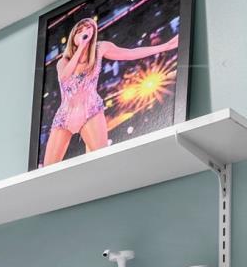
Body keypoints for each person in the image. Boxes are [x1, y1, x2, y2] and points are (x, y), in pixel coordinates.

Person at [43, 16, 179, 166]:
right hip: (65, 116)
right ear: (73, 36)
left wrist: (165, 46)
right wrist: (81, 48)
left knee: (101, 162)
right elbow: (64, 77)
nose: (85, 32)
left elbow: (130, 53)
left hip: (90, 110)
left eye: (89, 28)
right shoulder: (63, 61)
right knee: (48, 168)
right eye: (80, 30)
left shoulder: (100, 48)